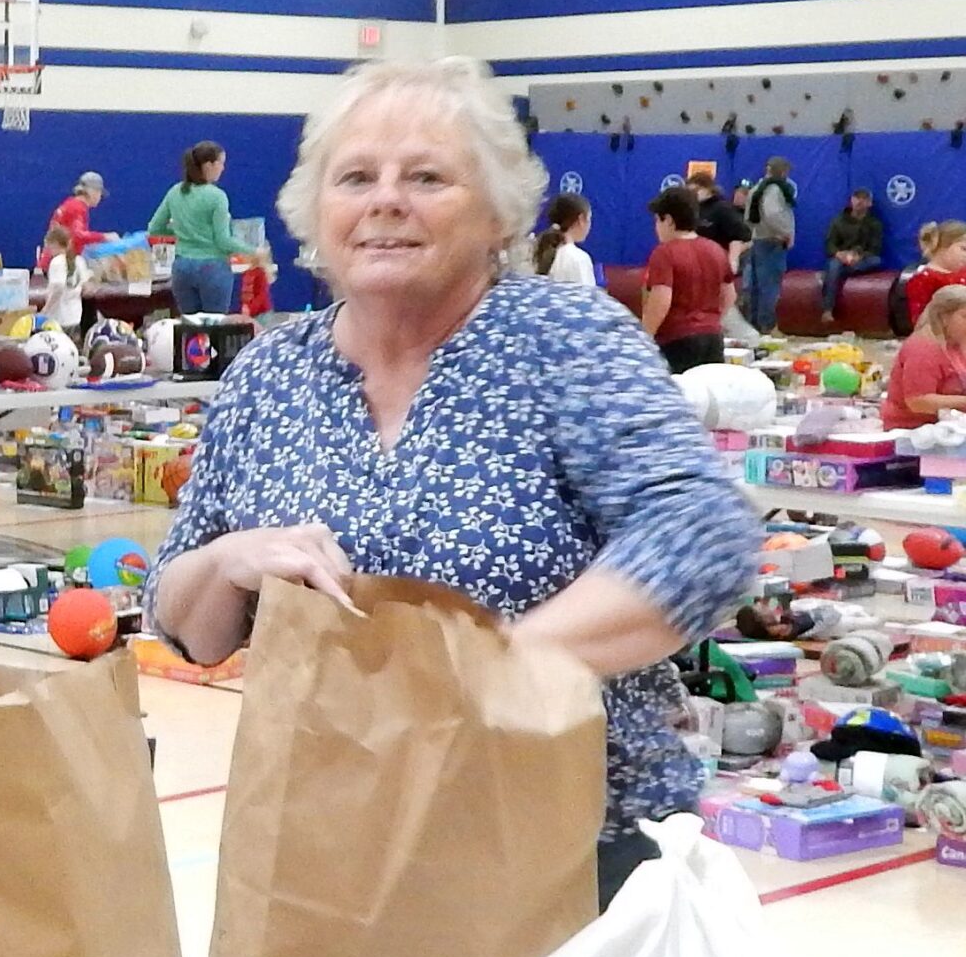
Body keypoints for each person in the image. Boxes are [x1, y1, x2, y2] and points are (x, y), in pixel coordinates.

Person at [144, 57, 756, 907]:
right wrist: (230, 560)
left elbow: (702, 532)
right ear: (316, 212)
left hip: (575, 856)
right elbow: (183, 627)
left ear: (498, 213)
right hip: (340, 862)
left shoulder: (562, 338)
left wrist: (502, 670)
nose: (386, 199)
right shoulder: (268, 375)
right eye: (356, 177)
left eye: (426, 176)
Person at [641, 187, 734, 375]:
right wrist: (711, 321)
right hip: (713, 338)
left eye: (657, 221)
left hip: (677, 340)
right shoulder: (716, 250)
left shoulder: (664, 253)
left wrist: (644, 337)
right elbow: (729, 295)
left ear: (668, 220)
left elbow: (661, 300)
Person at [149, 141, 239, 315]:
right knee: (214, 328)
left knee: (189, 329)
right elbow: (223, 240)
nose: (223, 168)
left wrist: (181, 232)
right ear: (208, 165)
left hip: (182, 268)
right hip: (212, 267)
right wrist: (253, 250)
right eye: (221, 163)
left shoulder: (175, 191)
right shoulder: (217, 196)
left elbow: (154, 228)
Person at [881, 286, 966, 430]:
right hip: (913, 431)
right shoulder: (923, 348)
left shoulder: (958, 342)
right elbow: (917, 401)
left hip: (950, 424)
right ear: (943, 317)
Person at [742, 155, 798, 331]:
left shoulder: (757, 188)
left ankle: (754, 326)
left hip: (757, 240)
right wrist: (785, 232)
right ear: (783, 171)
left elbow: (748, 218)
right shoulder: (774, 189)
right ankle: (767, 327)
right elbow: (773, 214)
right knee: (770, 287)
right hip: (772, 242)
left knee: (755, 287)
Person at [822, 187, 886, 324]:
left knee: (876, 261)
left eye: (864, 199)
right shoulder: (838, 221)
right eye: (857, 198)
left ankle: (841, 273)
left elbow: (875, 248)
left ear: (869, 203)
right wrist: (839, 254)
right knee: (834, 266)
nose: (859, 202)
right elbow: (829, 244)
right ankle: (827, 309)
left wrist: (858, 255)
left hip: (862, 260)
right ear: (851, 200)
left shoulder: (875, 224)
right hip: (840, 259)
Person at [905, 220, 966, 324]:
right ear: (943, 247)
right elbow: (920, 321)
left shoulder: (962, 272)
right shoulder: (924, 280)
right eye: (964, 249)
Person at [687, 170, 749, 272]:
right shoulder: (693, 209)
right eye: (690, 192)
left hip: (716, 262)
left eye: (696, 190)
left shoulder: (722, 208)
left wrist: (732, 260)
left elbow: (739, 236)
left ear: (708, 189)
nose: (693, 194)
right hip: (696, 261)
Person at [43, 172, 108, 262]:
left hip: (52, 260)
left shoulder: (70, 204)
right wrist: (104, 237)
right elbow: (78, 236)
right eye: (99, 192)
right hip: (60, 264)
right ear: (91, 191)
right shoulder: (78, 208)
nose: (100, 196)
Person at [533, 193, 595, 285]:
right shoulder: (579, 259)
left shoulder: (536, 251)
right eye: (589, 219)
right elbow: (586, 297)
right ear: (581, 219)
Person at [39, 222, 84, 332]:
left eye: (48, 246)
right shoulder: (79, 261)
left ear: (55, 243)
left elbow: (58, 288)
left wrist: (46, 309)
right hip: (75, 316)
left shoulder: (57, 262)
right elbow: (84, 285)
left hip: (60, 317)